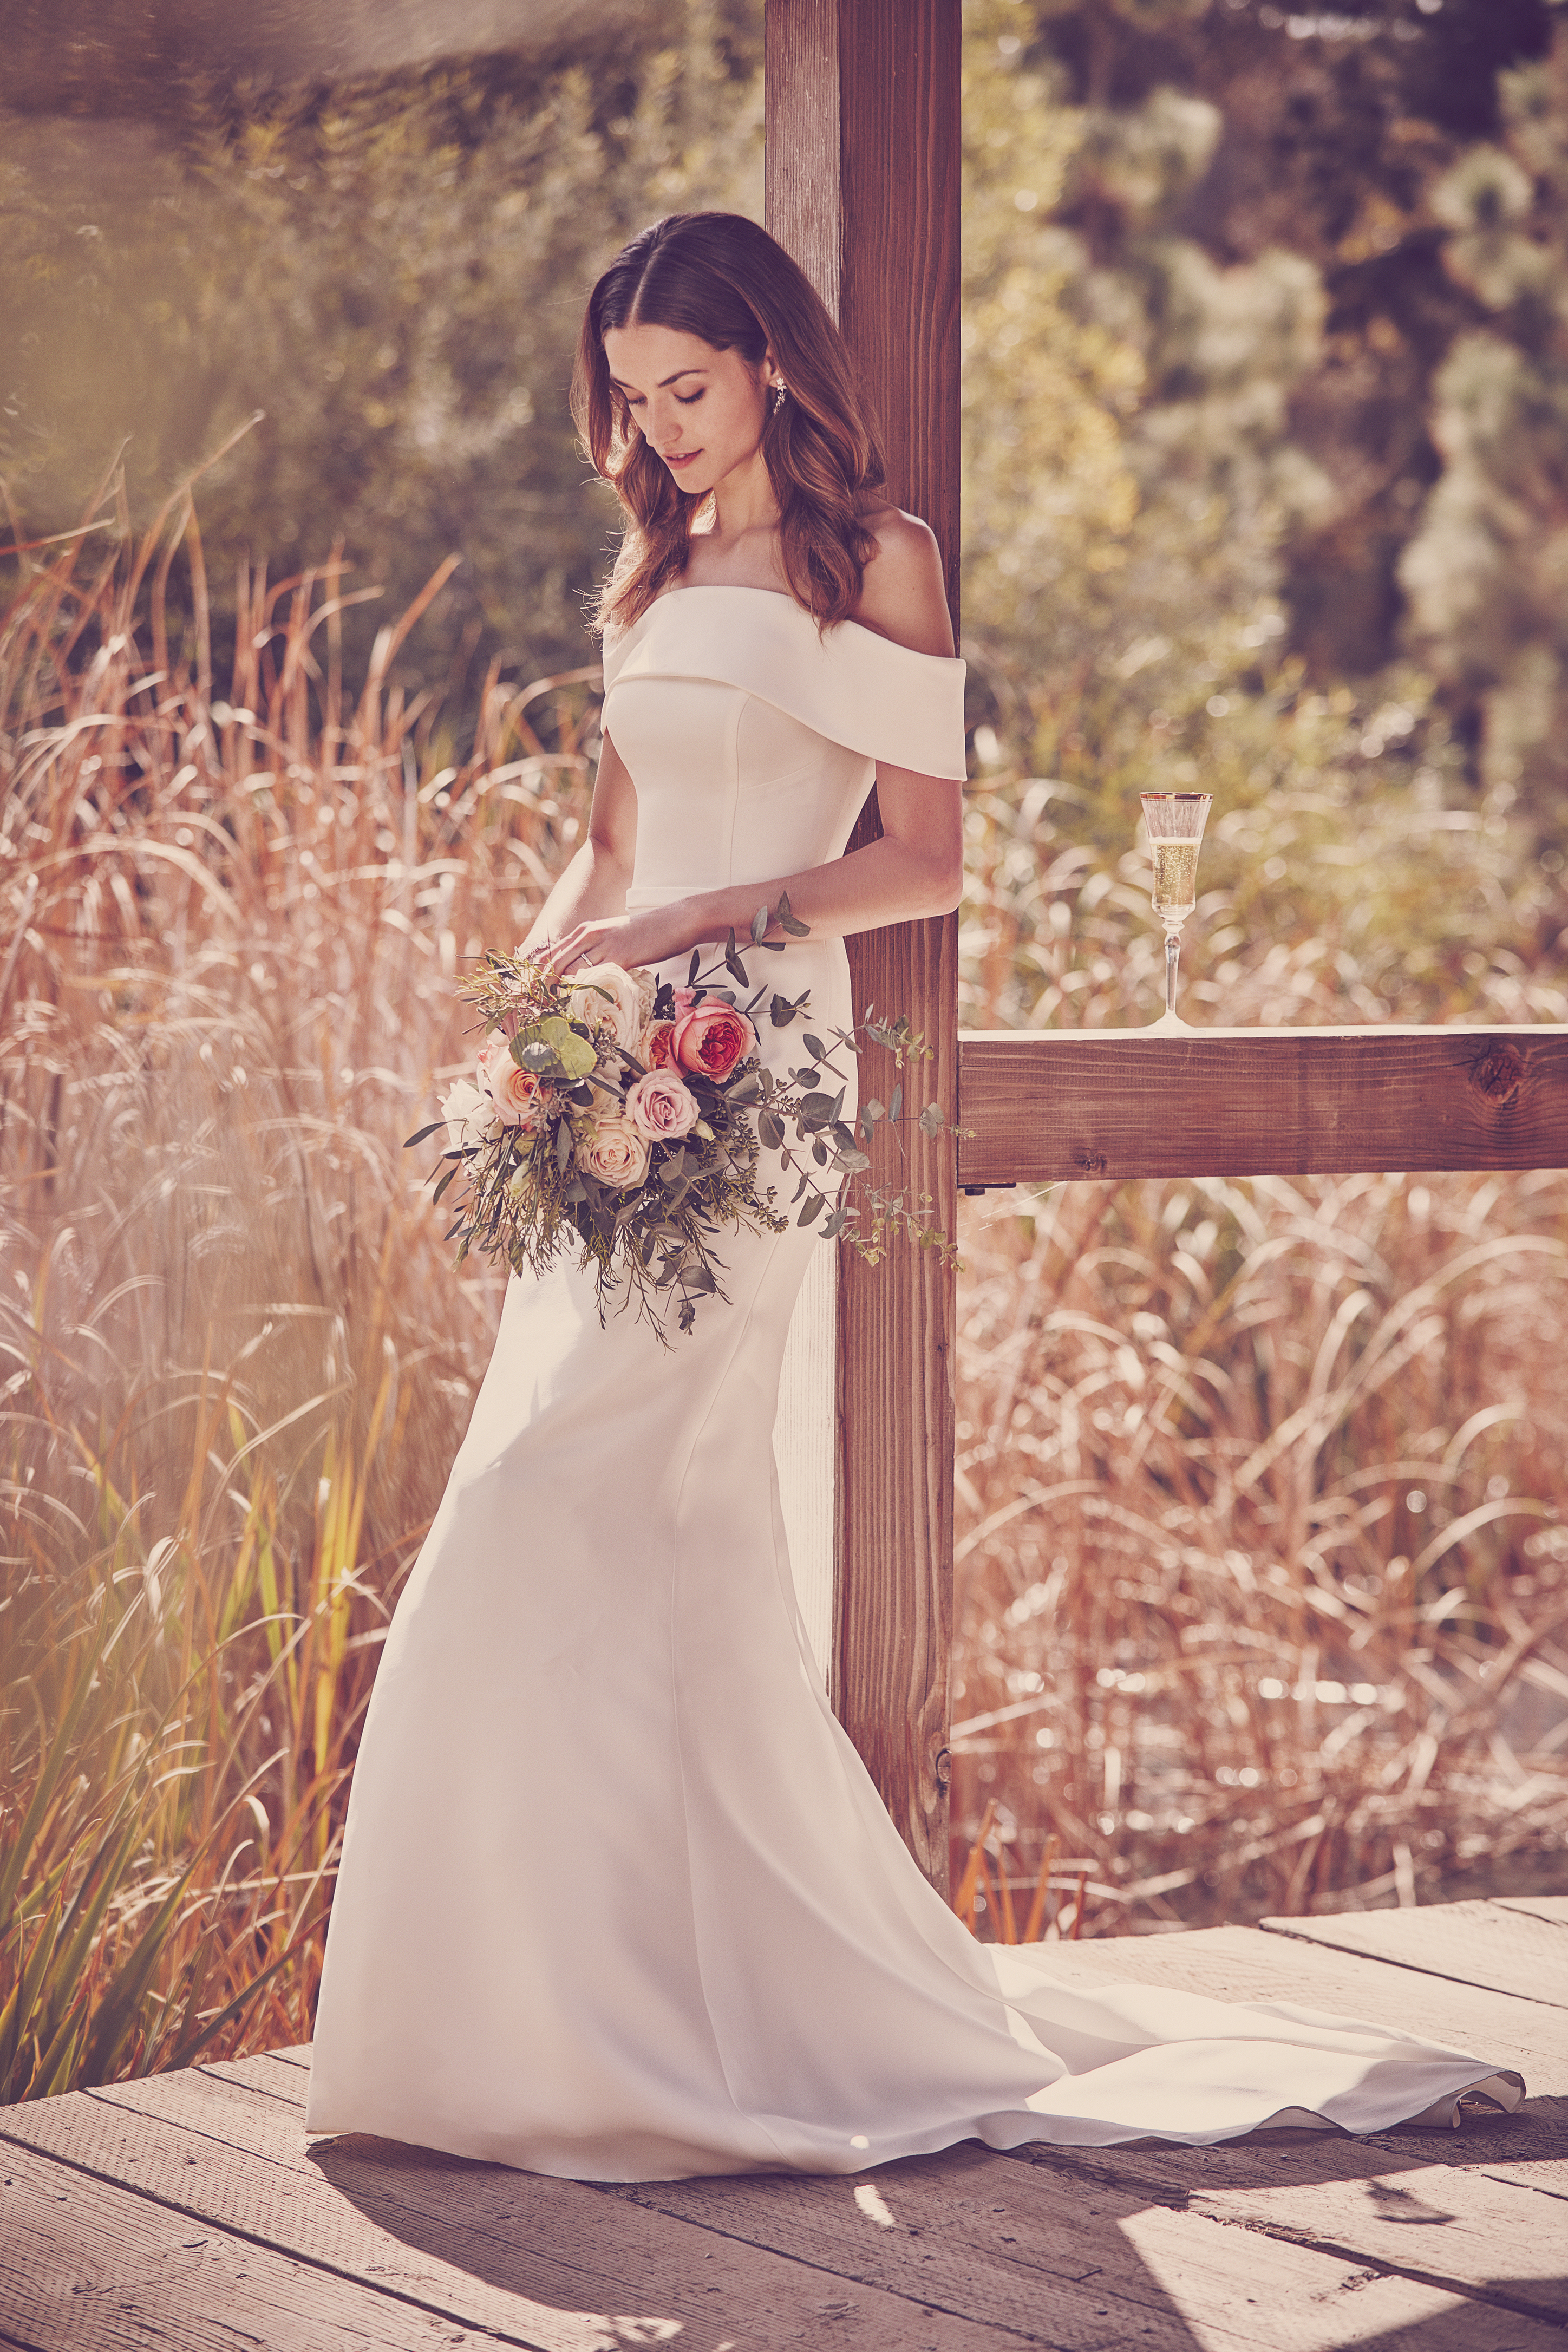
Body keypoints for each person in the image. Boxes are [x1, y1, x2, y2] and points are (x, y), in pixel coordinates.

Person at [304, 212, 1520, 2179]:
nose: (664, 433)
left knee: (583, 1483)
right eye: (630, 403)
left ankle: (649, 2017)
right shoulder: (655, 565)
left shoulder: (878, 564)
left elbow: (936, 860)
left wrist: (723, 916)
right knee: (597, 1503)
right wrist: (535, 1009)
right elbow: (601, 839)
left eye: (687, 391)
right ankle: (572, 2009)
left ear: (770, 362)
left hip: (765, 1057)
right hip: (614, 1051)